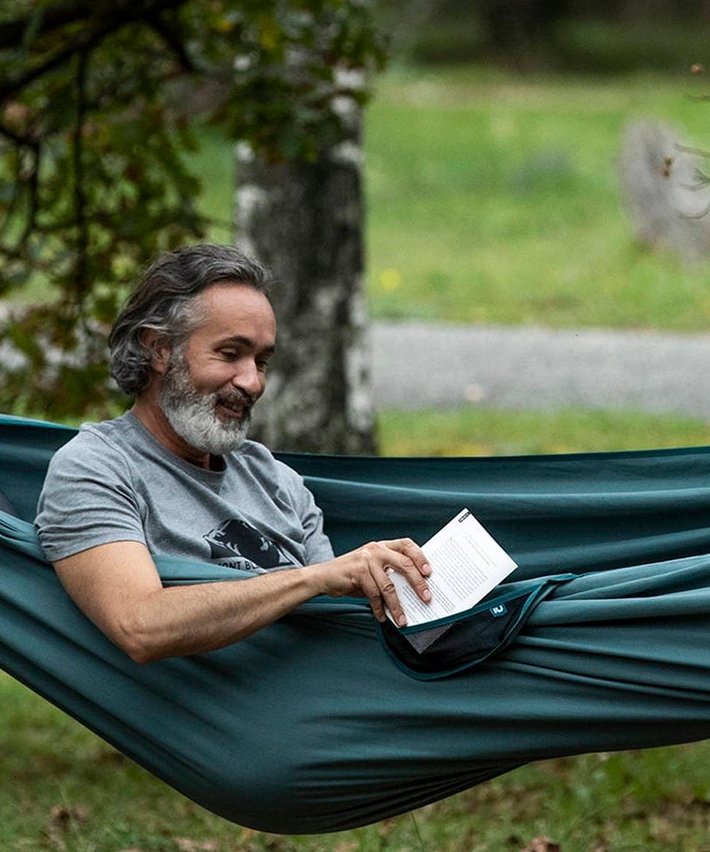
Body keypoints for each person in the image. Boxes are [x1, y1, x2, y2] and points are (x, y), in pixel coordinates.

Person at [35, 243, 432, 663]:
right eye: (230, 354)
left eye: (261, 361)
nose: (253, 382)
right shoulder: (96, 468)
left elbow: (334, 623)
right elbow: (139, 625)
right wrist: (313, 579)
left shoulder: (274, 478)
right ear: (157, 349)